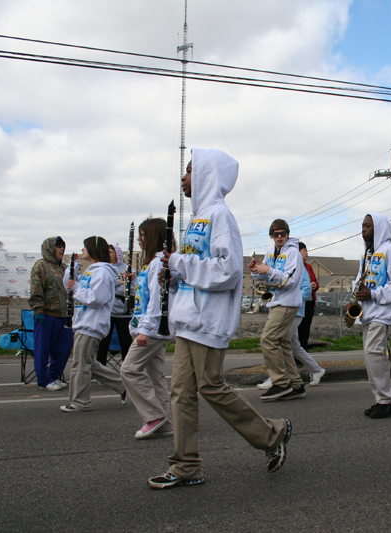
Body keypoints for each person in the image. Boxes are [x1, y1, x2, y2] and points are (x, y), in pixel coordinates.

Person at [147, 149, 291, 489]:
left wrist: (180, 264)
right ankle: (186, 466)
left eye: (190, 171)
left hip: (209, 321)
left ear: (208, 175)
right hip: (188, 319)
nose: (183, 178)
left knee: (210, 386)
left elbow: (228, 271)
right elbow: (195, 270)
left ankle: (273, 434)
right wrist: (174, 273)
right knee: (180, 391)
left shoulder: (220, 217)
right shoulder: (197, 220)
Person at [347, 213, 391, 420]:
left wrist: (374, 294)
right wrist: (354, 299)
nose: (363, 229)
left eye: (368, 226)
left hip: (382, 312)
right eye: (362, 226)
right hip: (368, 313)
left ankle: (387, 400)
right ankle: (381, 399)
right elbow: (358, 281)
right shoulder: (366, 255)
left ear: (379, 228)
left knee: (375, 354)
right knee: (371, 357)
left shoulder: (390, 251)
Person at [120, 218, 174, 439]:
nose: (140, 240)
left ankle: (154, 416)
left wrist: (144, 330)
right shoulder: (153, 262)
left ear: (152, 236)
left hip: (152, 330)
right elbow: (145, 295)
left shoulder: (158, 262)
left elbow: (157, 301)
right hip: (151, 328)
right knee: (155, 376)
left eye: (142, 235)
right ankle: (167, 423)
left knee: (129, 370)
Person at [60, 237, 127, 412]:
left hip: (91, 325)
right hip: (83, 322)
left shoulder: (103, 272)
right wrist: (72, 267)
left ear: (94, 250)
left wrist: (76, 289)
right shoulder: (92, 270)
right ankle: (124, 386)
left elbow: (97, 298)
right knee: (88, 362)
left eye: (85, 247)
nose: (82, 249)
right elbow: (69, 286)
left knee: (80, 365)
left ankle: (80, 402)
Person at [248, 219, 305, 401]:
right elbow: (262, 273)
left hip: (287, 302)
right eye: (275, 234)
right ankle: (296, 384)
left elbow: (290, 280)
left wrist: (269, 270)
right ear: (271, 236)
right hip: (275, 302)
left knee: (268, 339)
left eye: (282, 233)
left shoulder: (293, 253)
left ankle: (281, 382)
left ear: (287, 234)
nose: (279, 237)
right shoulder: (270, 252)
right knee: (282, 343)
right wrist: (255, 270)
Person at [258, 262, 326, 390]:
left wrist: (292, 302)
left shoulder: (300, 269)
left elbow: (306, 289)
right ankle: (316, 370)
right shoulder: (283, 267)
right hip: (282, 310)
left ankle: (275, 378)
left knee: (278, 341)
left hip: (293, 312)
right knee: (293, 345)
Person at [28, 236, 73, 391]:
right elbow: (36, 288)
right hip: (46, 315)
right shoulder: (41, 265)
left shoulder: (64, 268)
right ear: (49, 248)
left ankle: (53, 375)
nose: (61, 249)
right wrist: (38, 309)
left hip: (63, 315)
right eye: (58, 246)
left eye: (63, 246)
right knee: (43, 348)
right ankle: (43, 379)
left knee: (65, 347)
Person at [95, 244, 135, 366]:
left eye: (111, 252)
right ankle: (100, 370)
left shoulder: (128, 269)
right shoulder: (104, 269)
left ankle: (127, 370)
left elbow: (132, 289)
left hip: (123, 311)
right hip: (108, 311)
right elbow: (102, 288)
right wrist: (119, 284)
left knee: (126, 343)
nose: (108, 254)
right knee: (103, 342)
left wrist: (115, 287)